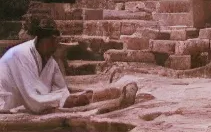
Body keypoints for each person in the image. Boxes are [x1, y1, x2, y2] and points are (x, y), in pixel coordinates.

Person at [0, 21, 137, 114]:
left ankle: (115, 96)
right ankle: (113, 100)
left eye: (56, 41)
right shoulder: (19, 55)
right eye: (52, 40)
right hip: (7, 104)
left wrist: (78, 97)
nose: (55, 45)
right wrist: (67, 99)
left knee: (80, 99)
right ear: (41, 39)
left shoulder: (48, 59)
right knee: (71, 105)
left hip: (30, 101)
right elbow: (34, 103)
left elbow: (62, 89)